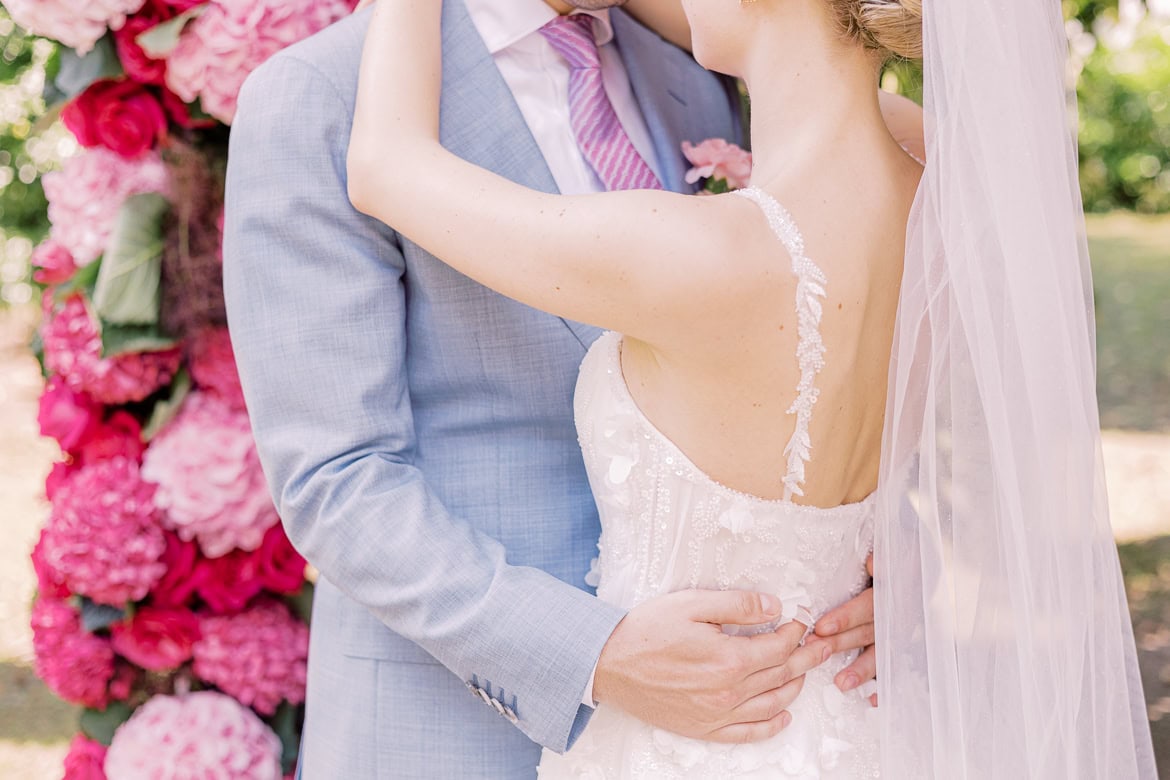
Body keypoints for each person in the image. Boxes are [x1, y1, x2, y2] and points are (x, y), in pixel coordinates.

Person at [346, 0, 1158, 778]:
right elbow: (826, 58)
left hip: (688, 748)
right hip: (855, 729)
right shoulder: (943, 199)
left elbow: (385, 167)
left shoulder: (696, 254)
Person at [223, 1, 902, 776]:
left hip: (752, 714)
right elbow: (336, 481)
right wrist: (592, 654)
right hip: (450, 734)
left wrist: (870, 563)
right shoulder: (320, 95)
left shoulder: (700, 70)